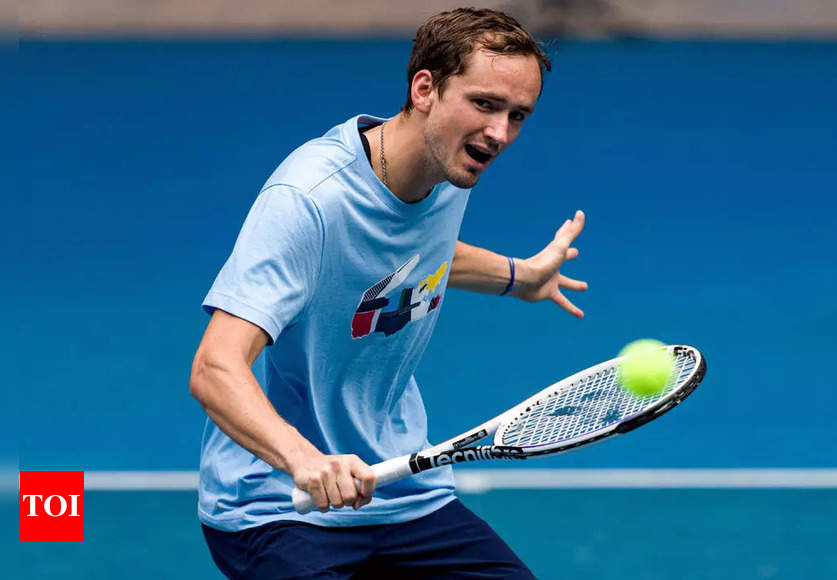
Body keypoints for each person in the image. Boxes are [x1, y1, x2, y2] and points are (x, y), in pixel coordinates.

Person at [189, 7, 586, 579]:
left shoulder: (448, 170)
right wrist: (306, 460)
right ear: (425, 88)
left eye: (517, 114)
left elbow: (413, 255)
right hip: (278, 505)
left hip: (403, 490)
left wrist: (520, 277)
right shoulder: (308, 201)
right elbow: (214, 368)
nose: (499, 133)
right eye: (484, 104)